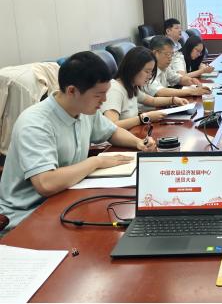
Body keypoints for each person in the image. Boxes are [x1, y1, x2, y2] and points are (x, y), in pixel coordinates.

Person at [0, 52, 157, 232]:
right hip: (27, 215)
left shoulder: (84, 110)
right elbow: (46, 183)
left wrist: (138, 142)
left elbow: (112, 131)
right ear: (72, 91)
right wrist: (95, 162)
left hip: (67, 197)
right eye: (98, 95)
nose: (104, 101)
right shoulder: (35, 123)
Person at [101, 46, 189, 129]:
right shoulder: (115, 90)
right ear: (133, 68)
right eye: (147, 71)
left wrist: (173, 100)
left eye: (151, 72)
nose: (150, 76)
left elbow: (152, 101)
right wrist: (144, 118)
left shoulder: (131, 86)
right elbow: (111, 126)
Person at [141, 36, 211, 98]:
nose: (170, 58)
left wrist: (190, 80)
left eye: (172, 54)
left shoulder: (165, 67)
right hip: (150, 108)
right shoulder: (147, 71)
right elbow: (159, 92)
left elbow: (177, 78)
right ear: (155, 53)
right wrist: (192, 91)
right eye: (167, 54)